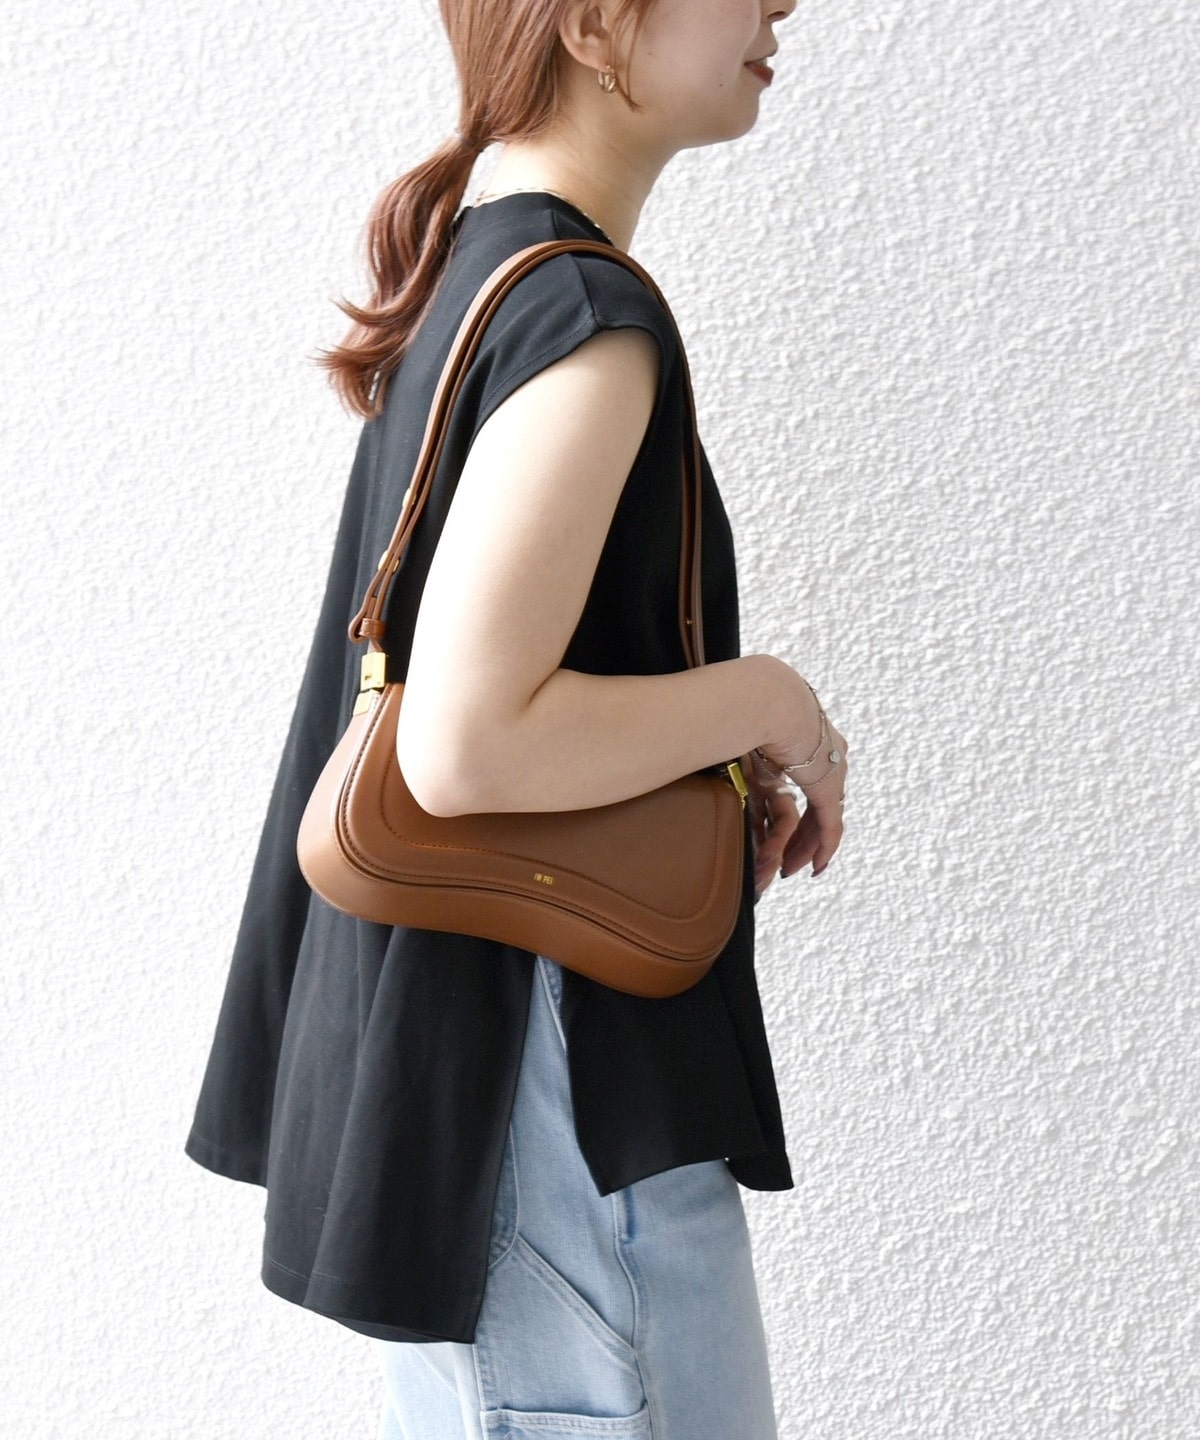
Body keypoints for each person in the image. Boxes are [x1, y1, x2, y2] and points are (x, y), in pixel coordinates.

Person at [183, 1, 848, 1436]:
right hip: (549, 1098)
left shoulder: (480, 282)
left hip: (476, 1095)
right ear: (598, 23)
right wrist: (769, 701)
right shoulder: (585, 323)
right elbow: (470, 744)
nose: (784, 4)